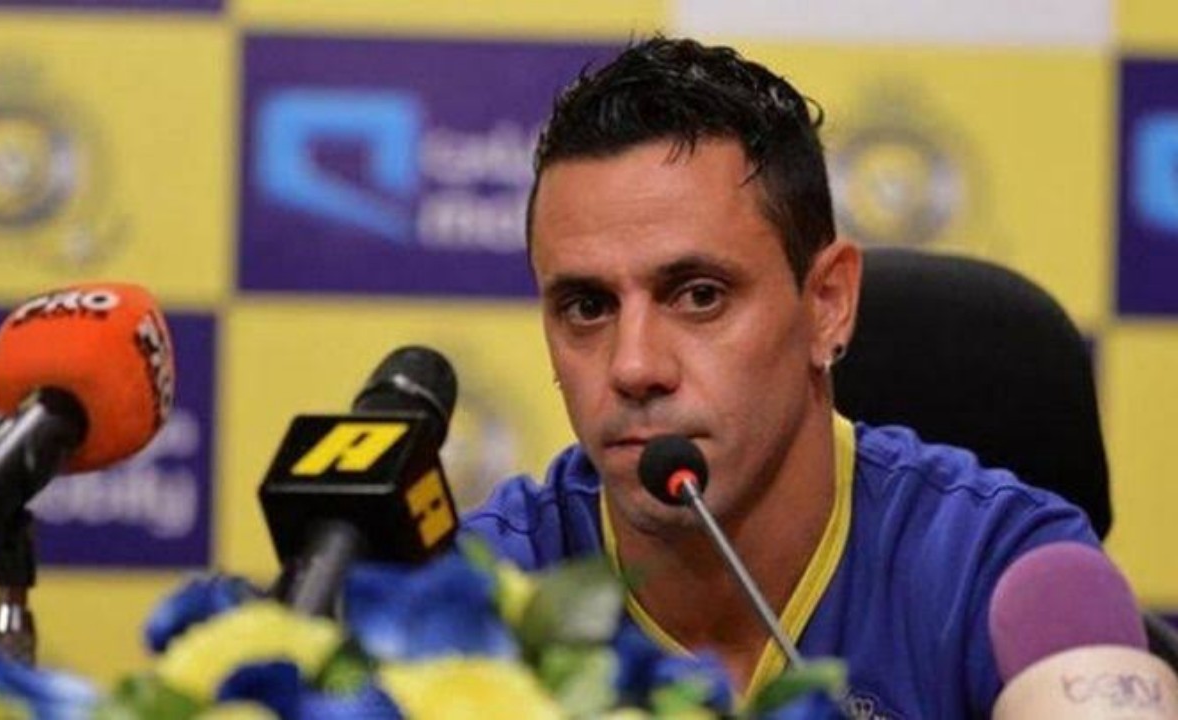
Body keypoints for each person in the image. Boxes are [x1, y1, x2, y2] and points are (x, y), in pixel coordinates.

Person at [460, 36, 1100, 718]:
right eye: (587, 307)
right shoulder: (474, 593)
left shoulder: (998, 566)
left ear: (827, 304)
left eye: (699, 295)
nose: (634, 366)